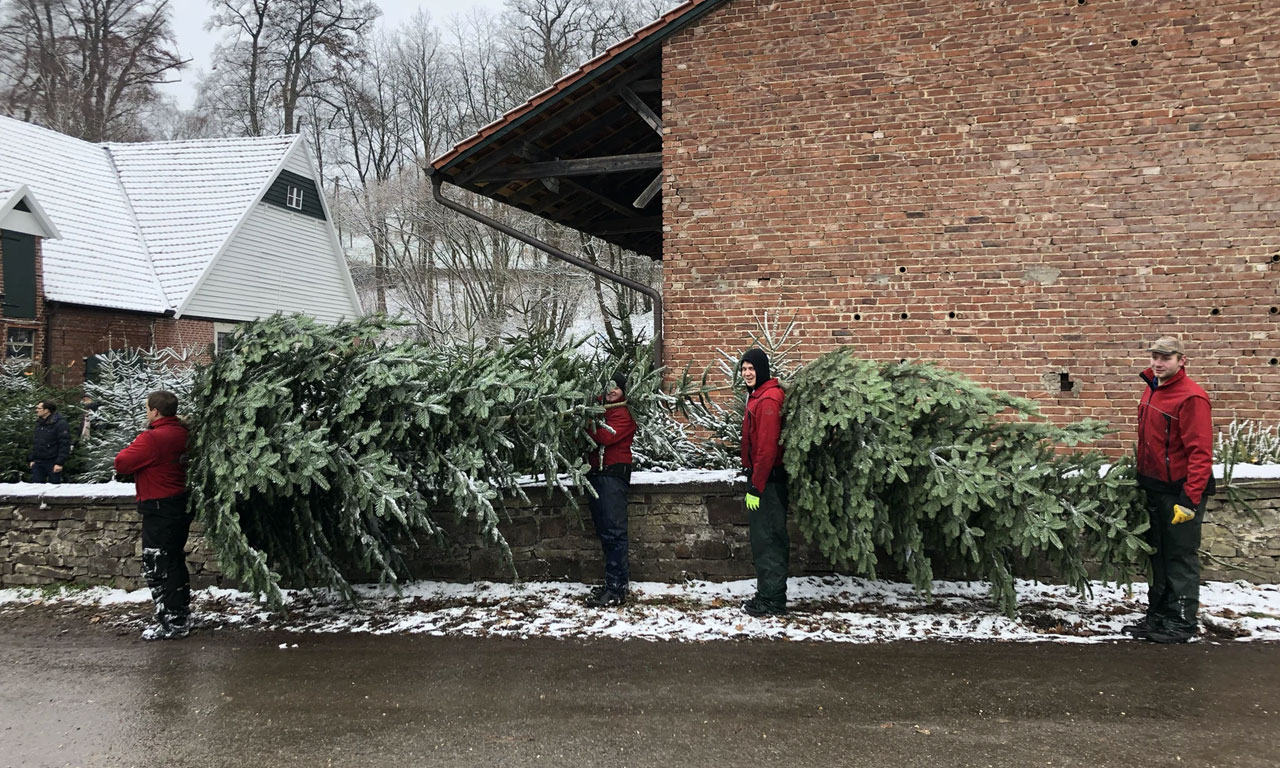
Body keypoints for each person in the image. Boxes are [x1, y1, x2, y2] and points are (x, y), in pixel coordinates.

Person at [1123, 336, 1214, 644]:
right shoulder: (1152, 389)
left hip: (1180, 493)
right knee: (1158, 556)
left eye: (1166, 358)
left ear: (1181, 360)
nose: (1158, 363)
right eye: (1155, 357)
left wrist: (1190, 499)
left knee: (1180, 558)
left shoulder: (1191, 398)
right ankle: (1158, 616)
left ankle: (1182, 623)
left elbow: (1200, 453)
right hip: (1154, 488)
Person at [114, 391, 192, 641]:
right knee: (174, 560)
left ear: (155, 411)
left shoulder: (153, 438)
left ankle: (172, 622)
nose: (146, 412)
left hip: (159, 506)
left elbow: (122, 463)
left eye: (147, 408)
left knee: (158, 564)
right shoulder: (183, 433)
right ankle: (179, 615)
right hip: (180, 503)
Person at [739, 348, 788, 617]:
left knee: (768, 539)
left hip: (768, 483)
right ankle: (767, 593)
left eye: (752, 368)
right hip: (764, 481)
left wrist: (756, 486)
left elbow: (767, 449)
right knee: (765, 539)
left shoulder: (768, 400)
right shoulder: (758, 395)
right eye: (744, 368)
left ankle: (772, 600)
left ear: (762, 370)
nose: (747, 373)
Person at [584, 371, 637, 608]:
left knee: (614, 532)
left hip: (613, 475)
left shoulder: (624, 414)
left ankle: (617, 588)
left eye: (616, 387)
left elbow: (605, 436)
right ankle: (611, 583)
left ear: (624, 391)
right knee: (604, 531)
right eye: (608, 386)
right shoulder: (599, 409)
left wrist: (585, 422)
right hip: (597, 473)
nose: (611, 390)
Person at [28, 400, 70, 484]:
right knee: (36, 489)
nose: (36, 410)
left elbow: (64, 444)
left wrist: (59, 463)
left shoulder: (60, 424)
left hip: (52, 463)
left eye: (39, 408)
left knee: (54, 490)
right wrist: (32, 459)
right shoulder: (39, 423)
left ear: (46, 410)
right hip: (38, 463)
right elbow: (36, 442)